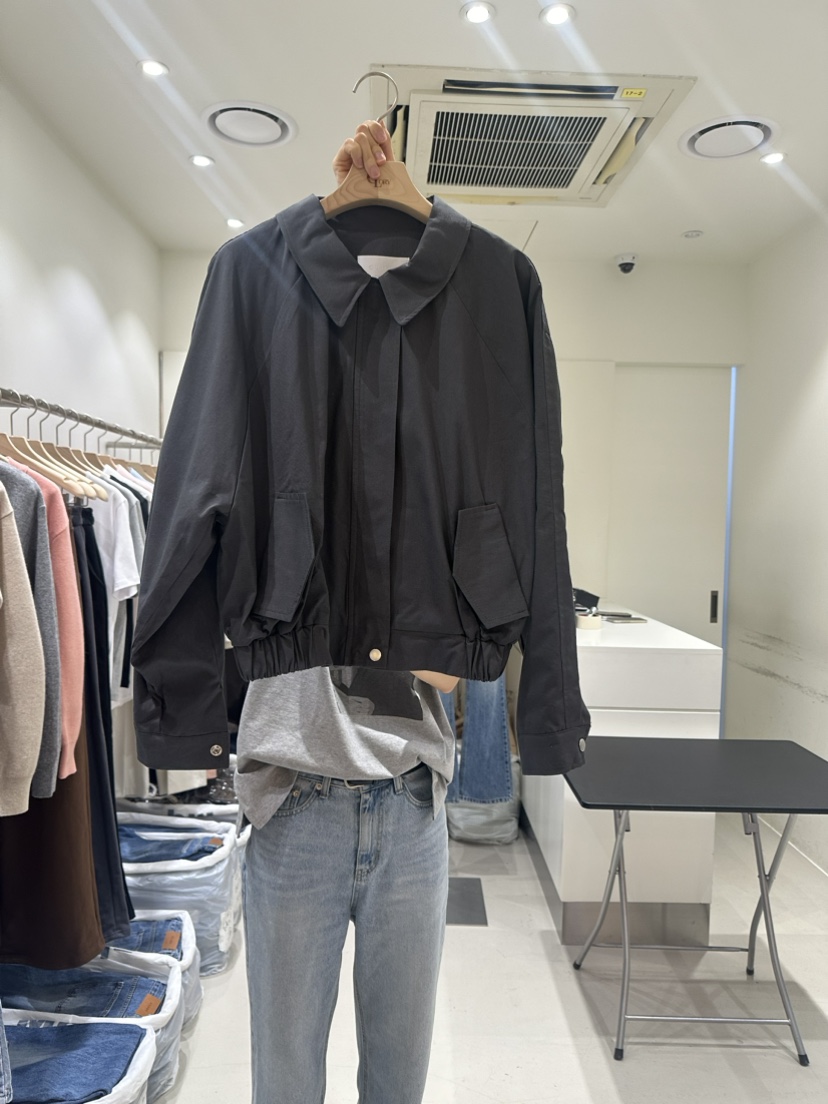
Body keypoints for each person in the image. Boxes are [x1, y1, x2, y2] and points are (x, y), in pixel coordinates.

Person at [239, 121, 458, 1104]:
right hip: (297, 803)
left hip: (410, 803)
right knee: (286, 1080)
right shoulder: (262, 430)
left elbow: (459, 662)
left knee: (397, 1082)